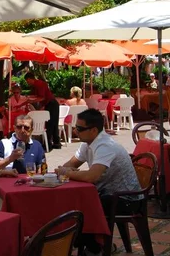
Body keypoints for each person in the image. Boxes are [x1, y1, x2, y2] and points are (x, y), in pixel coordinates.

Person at [55, 109, 142, 256]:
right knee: (76, 201)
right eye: (77, 127)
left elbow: (91, 177)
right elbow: (70, 164)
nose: (76, 131)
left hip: (127, 199)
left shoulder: (105, 146)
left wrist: (68, 173)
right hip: (110, 194)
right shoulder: (88, 143)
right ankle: (83, 242)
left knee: (84, 206)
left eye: (80, 129)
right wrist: (64, 170)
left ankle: (94, 247)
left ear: (94, 130)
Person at [25, 72, 61, 150]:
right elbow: (37, 96)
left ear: (30, 79)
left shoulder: (39, 84)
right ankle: (56, 143)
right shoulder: (36, 85)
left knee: (50, 124)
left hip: (51, 104)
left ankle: (49, 144)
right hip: (51, 103)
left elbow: (42, 97)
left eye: (27, 81)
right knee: (53, 123)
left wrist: (31, 101)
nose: (27, 83)